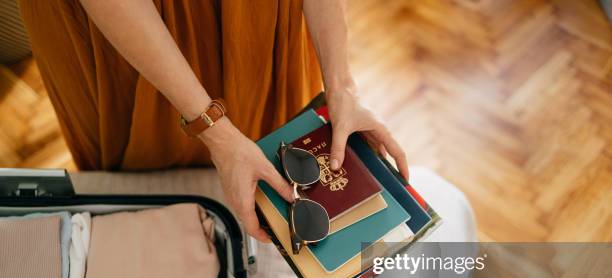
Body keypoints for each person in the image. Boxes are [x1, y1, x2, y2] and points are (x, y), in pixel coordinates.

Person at [20, 0, 408, 242]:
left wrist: (341, 86)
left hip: (256, 18)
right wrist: (217, 135)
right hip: (124, 26)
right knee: (137, 173)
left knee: (273, 153)